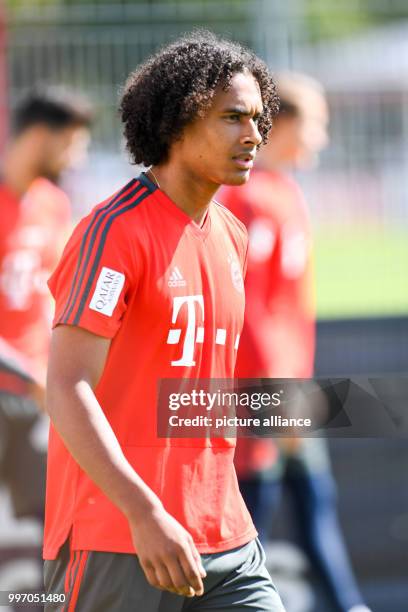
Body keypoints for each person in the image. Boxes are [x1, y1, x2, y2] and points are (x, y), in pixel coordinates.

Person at [43, 31, 286, 611]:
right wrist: (144, 511)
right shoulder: (113, 233)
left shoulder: (232, 236)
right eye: (233, 117)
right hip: (119, 537)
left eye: (258, 119)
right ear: (178, 122)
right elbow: (67, 386)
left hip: (225, 537)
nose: (253, 135)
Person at [222, 73, 371, 612]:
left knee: (312, 507)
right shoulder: (247, 199)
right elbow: (247, 309)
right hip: (265, 390)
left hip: (291, 386)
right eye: (317, 123)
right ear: (282, 125)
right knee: (251, 517)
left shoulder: (284, 192)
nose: (322, 138)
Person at [0, 91, 92, 525]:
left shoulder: (54, 205)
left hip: (40, 394)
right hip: (16, 382)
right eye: (71, 143)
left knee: (48, 527)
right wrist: (26, 371)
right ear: (39, 136)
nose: (77, 158)